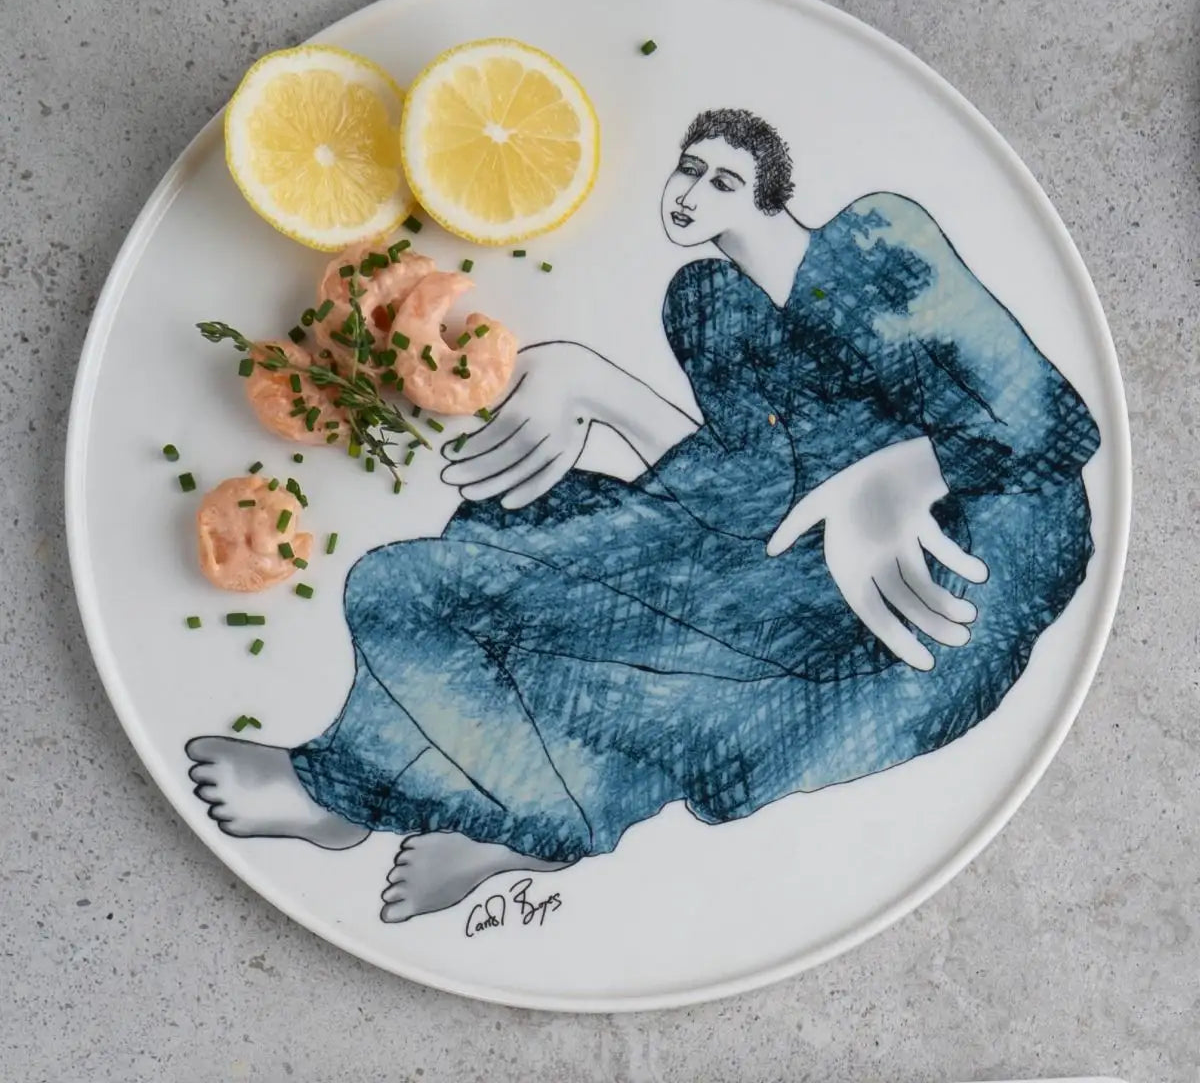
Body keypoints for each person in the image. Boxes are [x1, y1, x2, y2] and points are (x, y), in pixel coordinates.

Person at [187, 108, 1100, 923]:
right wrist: (597, 387)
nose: (693, 191)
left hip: (943, 592)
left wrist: (895, 480)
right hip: (793, 550)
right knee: (508, 550)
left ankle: (372, 797)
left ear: (772, 192)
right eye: (689, 169)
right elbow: (735, 480)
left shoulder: (877, 241)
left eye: (725, 178)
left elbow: (1055, 427)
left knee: (632, 658)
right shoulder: (715, 305)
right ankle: (490, 813)